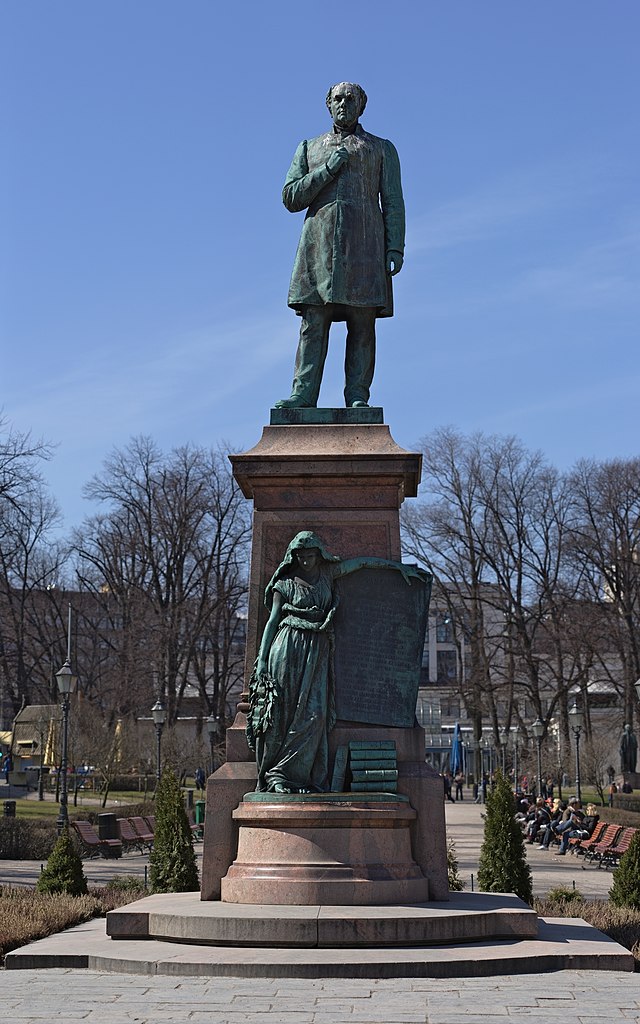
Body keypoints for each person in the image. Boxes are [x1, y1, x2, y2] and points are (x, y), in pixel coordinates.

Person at [247, 531, 428, 793]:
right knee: (283, 713)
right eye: (301, 557)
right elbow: (272, 622)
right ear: (293, 556)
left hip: (317, 648)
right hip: (287, 648)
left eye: (311, 556)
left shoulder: (328, 575)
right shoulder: (283, 584)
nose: (306, 561)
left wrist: (397, 568)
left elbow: (363, 564)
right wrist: (262, 660)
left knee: (315, 714)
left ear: (320, 555)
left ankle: (296, 774)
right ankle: (278, 778)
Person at [276, 82, 405, 410]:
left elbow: (392, 200)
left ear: (362, 106)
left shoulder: (380, 148)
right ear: (328, 105)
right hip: (317, 251)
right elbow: (291, 197)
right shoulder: (309, 147)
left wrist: (395, 246)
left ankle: (358, 395)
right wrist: (328, 169)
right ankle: (303, 394)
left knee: (362, 322)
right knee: (313, 322)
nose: (344, 103)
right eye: (338, 98)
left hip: (365, 247)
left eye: (351, 99)